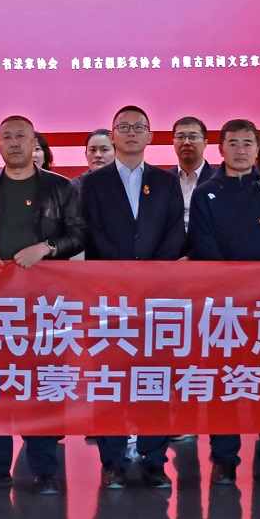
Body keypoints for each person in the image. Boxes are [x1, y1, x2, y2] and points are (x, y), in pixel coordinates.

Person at [0, 115, 87, 495]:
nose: (14, 142)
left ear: (35, 143)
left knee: (45, 386)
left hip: (46, 305)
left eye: (21, 136)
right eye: (7, 137)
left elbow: (79, 234)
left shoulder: (61, 187)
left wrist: (47, 248)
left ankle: (45, 469)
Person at [75, 105, 185, 489]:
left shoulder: (167, 182)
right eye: (124, 127)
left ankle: (155, 460)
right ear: (113, 135)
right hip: (108, 296)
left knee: (154, 380)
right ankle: (113, 462)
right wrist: (125, 272)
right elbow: (90, 232)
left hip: (157, 297)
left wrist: (150, 274)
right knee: (110, 382)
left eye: (140, 127)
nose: (132, 132)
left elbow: (175, 232)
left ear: (151, 136)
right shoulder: (91, 183)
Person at [187, 119, 260, 484]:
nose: (240, 150)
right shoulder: (205, 193)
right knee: (224, 384)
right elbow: (204, 246)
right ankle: (224, 458)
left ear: (257, 150)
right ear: (220, 149)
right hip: (222, 308)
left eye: (248, 143)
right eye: (233, 143)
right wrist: (234, 288)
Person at [169, 116, 219, 226]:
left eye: (193, 137)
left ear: (205, 142)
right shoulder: (163, 180)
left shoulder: (219, 179)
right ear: (173, 142)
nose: (186, 142)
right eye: (180, 137)